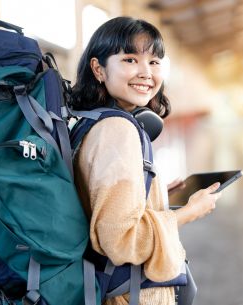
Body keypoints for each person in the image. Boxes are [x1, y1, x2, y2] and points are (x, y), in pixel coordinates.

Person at [70, 17, 220, 305]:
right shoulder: (119, 130)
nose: (145, 72)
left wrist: (155, 195)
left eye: (154, 62)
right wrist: (190, 212)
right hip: (131, 295)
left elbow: (101, 204)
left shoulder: (90, 123)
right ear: (98, 69)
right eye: (130, 59)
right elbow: (120, 238)